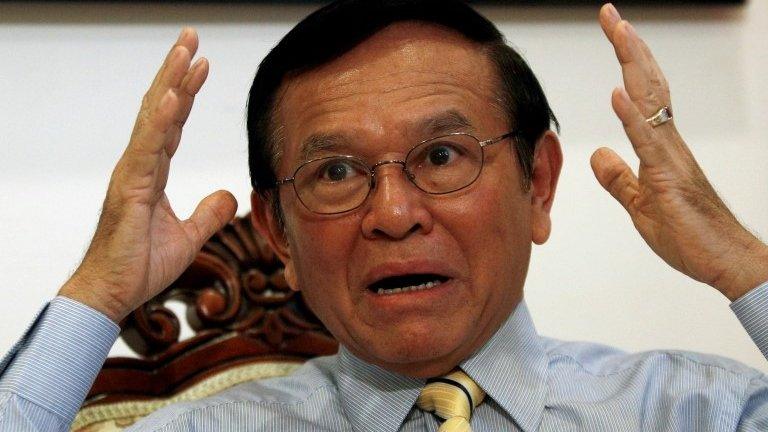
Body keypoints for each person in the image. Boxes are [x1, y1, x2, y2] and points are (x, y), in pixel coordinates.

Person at [1, 0, 767, 430]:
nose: (394, 214)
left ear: (538, 183)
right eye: (335, 172)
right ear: (277, 234)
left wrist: (744, 266)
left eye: (442, 156)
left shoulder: (700, 409)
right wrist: (98, 290)